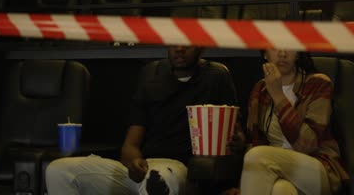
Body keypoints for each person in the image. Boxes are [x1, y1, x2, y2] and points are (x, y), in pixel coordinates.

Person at [45, 45, 237, 195]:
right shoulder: (150, 75)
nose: (179, 48)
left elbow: (236, 135)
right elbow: (130, 145)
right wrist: (134, 161)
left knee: (159, 178)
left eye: (187, 43)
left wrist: (237, 143)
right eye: (174, 42)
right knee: (59, 170)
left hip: (180, 169)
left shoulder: (216, 76)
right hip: (142, 168)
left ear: (201, 47)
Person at [225, 49, 349, 195]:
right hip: (273, 170)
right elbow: (256, 142)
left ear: (297, 53)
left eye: (288, 46)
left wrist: (278, 96)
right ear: (265, 54)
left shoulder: (318, 83)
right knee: (281, 190)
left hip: (317, 167)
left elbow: (307, 145)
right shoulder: (260, 89)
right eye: (275, 47)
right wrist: (240, 143)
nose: (282, 53)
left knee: (257, 154)